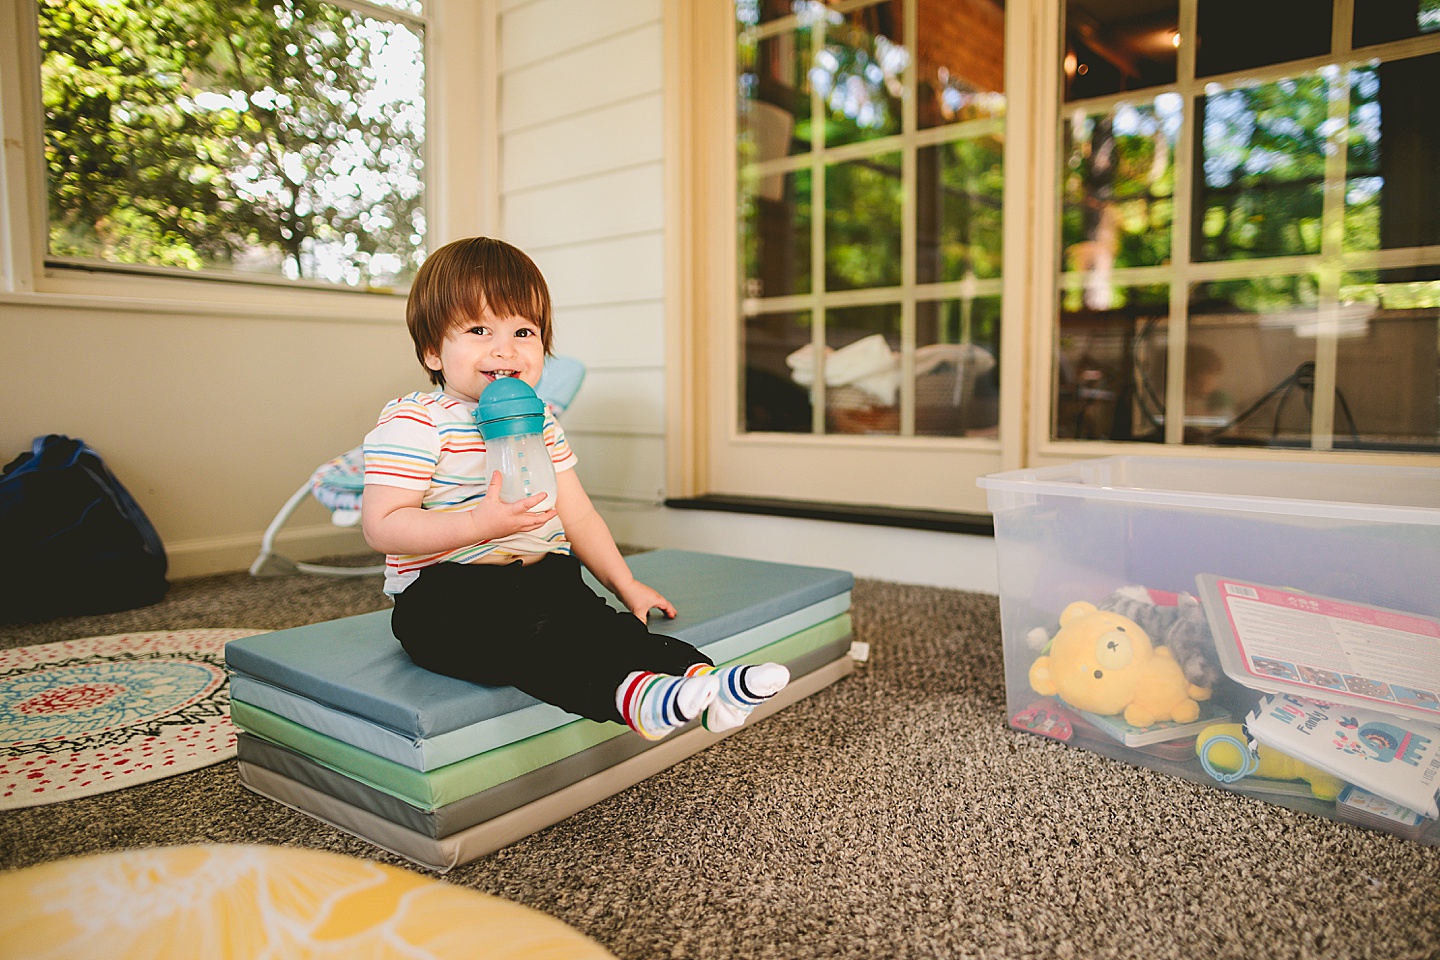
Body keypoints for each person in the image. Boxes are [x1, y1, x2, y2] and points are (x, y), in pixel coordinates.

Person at [361, 237, 789, 739]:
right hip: (446, 596)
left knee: (611, 630)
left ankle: (708, 680)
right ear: (433, 351)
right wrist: (477, 523)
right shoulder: (417, 421)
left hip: (545, 579)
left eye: (524, 330)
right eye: (479, 329)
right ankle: (633, 698)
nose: (506, 348)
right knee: (531, 643)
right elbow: (383, 526)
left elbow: (579, 516)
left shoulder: (540, 422)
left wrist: (623, 582)